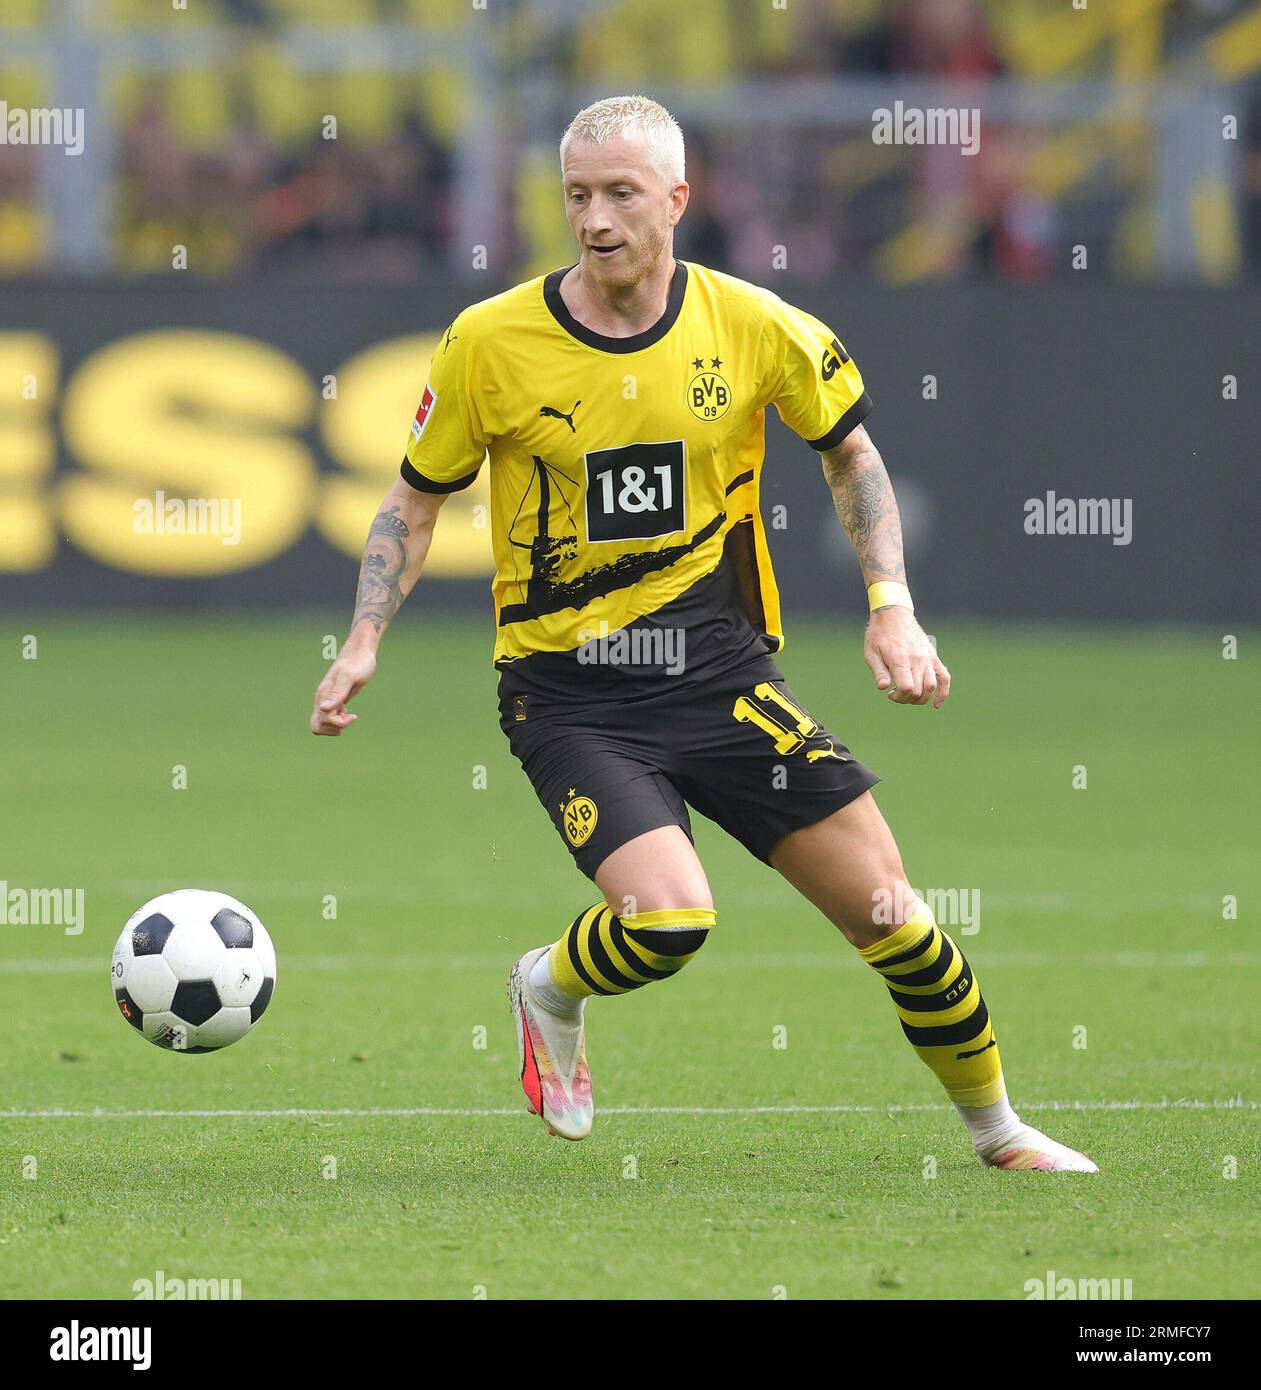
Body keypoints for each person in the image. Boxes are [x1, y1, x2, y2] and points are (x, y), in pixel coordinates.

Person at [310, 95, 1096, 1173]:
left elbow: (851, 454)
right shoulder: (490, 343)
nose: (595, 218)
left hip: (718, 672)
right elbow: (411, 501)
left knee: (895, 917)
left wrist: (891, 605)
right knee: (670, 924)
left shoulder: (756, 325)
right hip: (567, 689)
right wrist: (363, 638)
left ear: (677, 200)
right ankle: (548, 983)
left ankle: (998, 1131)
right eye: (577, 194)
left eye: (621, 194)